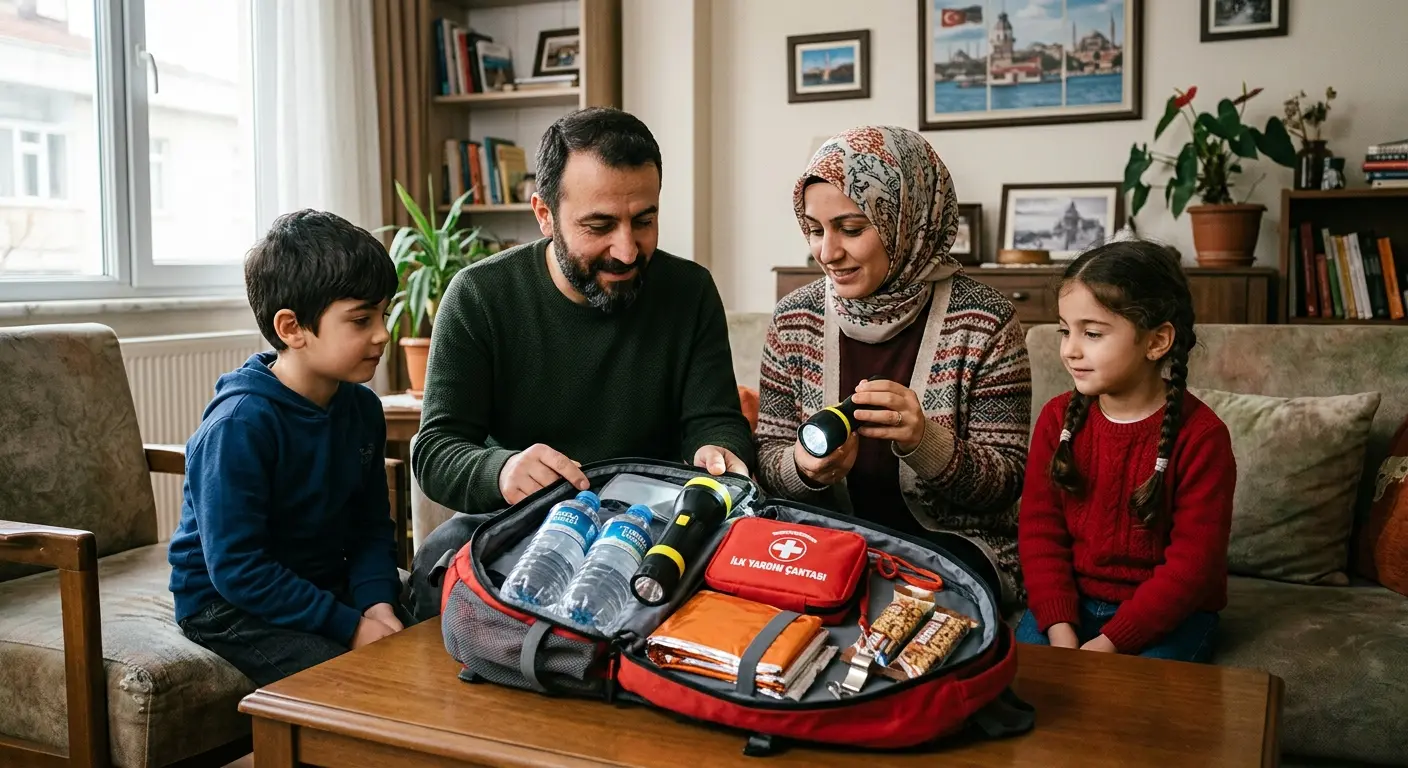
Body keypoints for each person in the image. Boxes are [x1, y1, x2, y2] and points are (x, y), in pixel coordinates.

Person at [407, 107, 754, 619]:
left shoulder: (691, 291)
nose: (628, 250)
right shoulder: (480, 295)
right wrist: (502, 470)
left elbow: (715, 419)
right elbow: (435, 449)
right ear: (544, 214)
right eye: (599, 225)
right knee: (432, 573)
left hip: (653, 532)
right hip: (528, 528)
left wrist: (717, 450)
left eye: (644, 221)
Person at [754, 126, 1031, 607]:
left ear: (908, 220)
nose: (827, 253)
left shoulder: (985, 323)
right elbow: (767, 458)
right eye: (816, 230)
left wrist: (927, 443)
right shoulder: (794, 319)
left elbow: (1007, 483)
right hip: (827, 541)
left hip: (953, 550)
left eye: (853, 228)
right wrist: (803, 467)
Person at [168, 210, 409, 687]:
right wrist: (353, 626)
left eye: (383, 313)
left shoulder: (361, 408)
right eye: (361, 319)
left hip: (318, 583)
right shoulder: (239, 426)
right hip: (229, 605)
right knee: (357, 684)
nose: (382, 333)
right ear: (292, 328)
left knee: (433, 637)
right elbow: (238, 570)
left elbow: (369, 529)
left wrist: (377, 602)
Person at [1016, 241, 1236, 662]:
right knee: (1031, 694)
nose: (1070, 349)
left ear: (1157, 342)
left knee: (1128, 711)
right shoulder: (1056, 419)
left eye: (1092, 333)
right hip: (1072, 606)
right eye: (1065, 330)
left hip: (1169, 615)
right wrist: (1062, 633)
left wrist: (1108, 645)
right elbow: (1039, 534)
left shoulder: (1203, 437)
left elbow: (1191, 568)